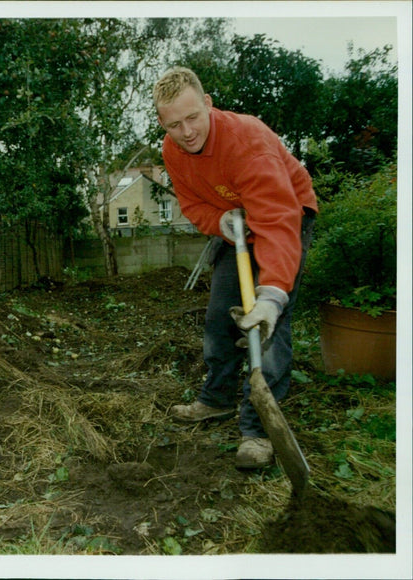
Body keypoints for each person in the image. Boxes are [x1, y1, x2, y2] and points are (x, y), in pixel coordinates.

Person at [152, 67, 318, 469]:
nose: (187, 131)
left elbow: (279, 219)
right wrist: (221, 222)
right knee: (219, 318)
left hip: (286, 215)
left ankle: (259, 430)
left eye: (193, 117)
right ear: (163, 123)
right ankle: (216, 400)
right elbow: (193, 205)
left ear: (208, 104)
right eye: (174, 124)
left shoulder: (248, 140)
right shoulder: (172, 151)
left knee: (268, 325)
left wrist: (273, 294)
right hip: (236, 228)